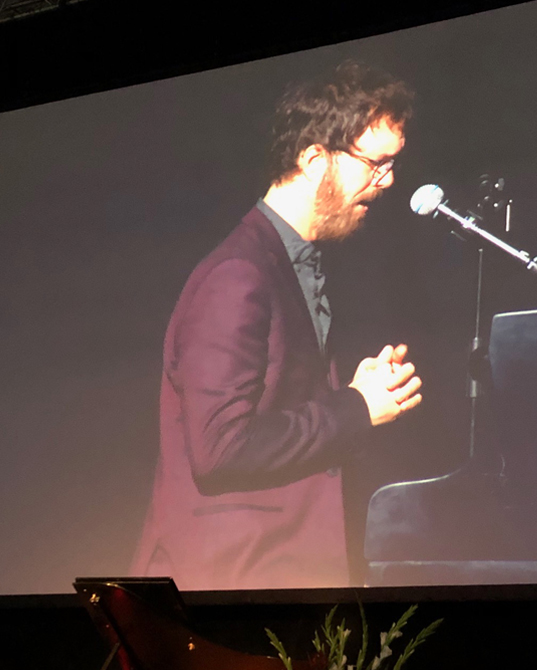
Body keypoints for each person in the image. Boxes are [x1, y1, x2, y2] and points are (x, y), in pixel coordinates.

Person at [131, 61, 421, 590]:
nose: (389, 182)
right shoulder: (237, 275)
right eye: (377, 164)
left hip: (271, 580)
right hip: (229, 587)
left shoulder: (286, 261)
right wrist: (356, 407)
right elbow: (220, 449)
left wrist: (358, 390)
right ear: (315, 160)